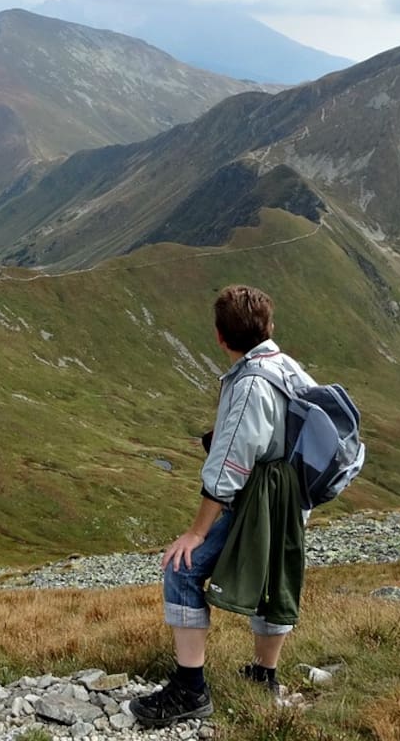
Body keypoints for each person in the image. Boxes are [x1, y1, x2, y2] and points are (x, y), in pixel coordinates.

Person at [129, 285, 313, 728]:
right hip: (289, 495)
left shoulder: (250, 383)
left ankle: (190, 689)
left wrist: (195, 533)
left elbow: (229, 467)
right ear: (269, 327)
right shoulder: (287, 368)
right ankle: (263, 676)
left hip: (256, 499)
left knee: (183, 568)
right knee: (273, 576)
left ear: (220, 338)